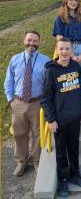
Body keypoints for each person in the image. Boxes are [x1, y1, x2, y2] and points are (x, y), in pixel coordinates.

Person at [41, 38, 81, 197]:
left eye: (67, 49)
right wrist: (50, 119)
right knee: (61, 152)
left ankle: (75, 174)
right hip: (59, 120)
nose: (64, 52)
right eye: (61, 49)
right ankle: (63, 180)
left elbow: (80, 88)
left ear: (71, 50)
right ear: (57, 50)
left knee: (74, 148)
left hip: (75, 117)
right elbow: (46, 98)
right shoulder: (51, 70)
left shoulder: (76, 66)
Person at [4, 31, 50, 176]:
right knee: (19, 133)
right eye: (29, 40)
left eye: (35, 41)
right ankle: (21, 161)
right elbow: (8, 81)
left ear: (39, 43)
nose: (32, 43)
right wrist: (11, 100)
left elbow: (49, 83)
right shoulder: (15, 59)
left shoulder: (46, 60)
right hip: (18, 102)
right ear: (24, 40)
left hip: (37, 102)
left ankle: (36, 160)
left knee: (37, 133)